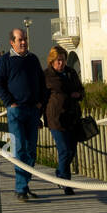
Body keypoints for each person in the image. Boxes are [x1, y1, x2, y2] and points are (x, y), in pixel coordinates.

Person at [0, 28, 46, 200]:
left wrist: (39, 104)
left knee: (31, 150)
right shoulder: (5, 60)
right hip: (16, 111)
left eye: (25, 39)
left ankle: (25, 184)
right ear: (12, 42)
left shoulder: (33, 59)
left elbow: (42, 84)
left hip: (32, 111)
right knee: (19, 148)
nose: (23, 42)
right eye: (20, 39)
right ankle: (21, 188)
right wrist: (11, 103)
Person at [44, 46, 84, 195]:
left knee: (72, 151)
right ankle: (66, 183)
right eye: (58, 60)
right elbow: (43, 97)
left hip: (72, 117)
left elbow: (81, 90)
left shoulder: (71, 72)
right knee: (64, 150)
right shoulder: (47, 75)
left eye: (63, 60)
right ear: (52, 61)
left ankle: (60, 172)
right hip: (56, 118)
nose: (61, 63)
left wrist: (78, 95)